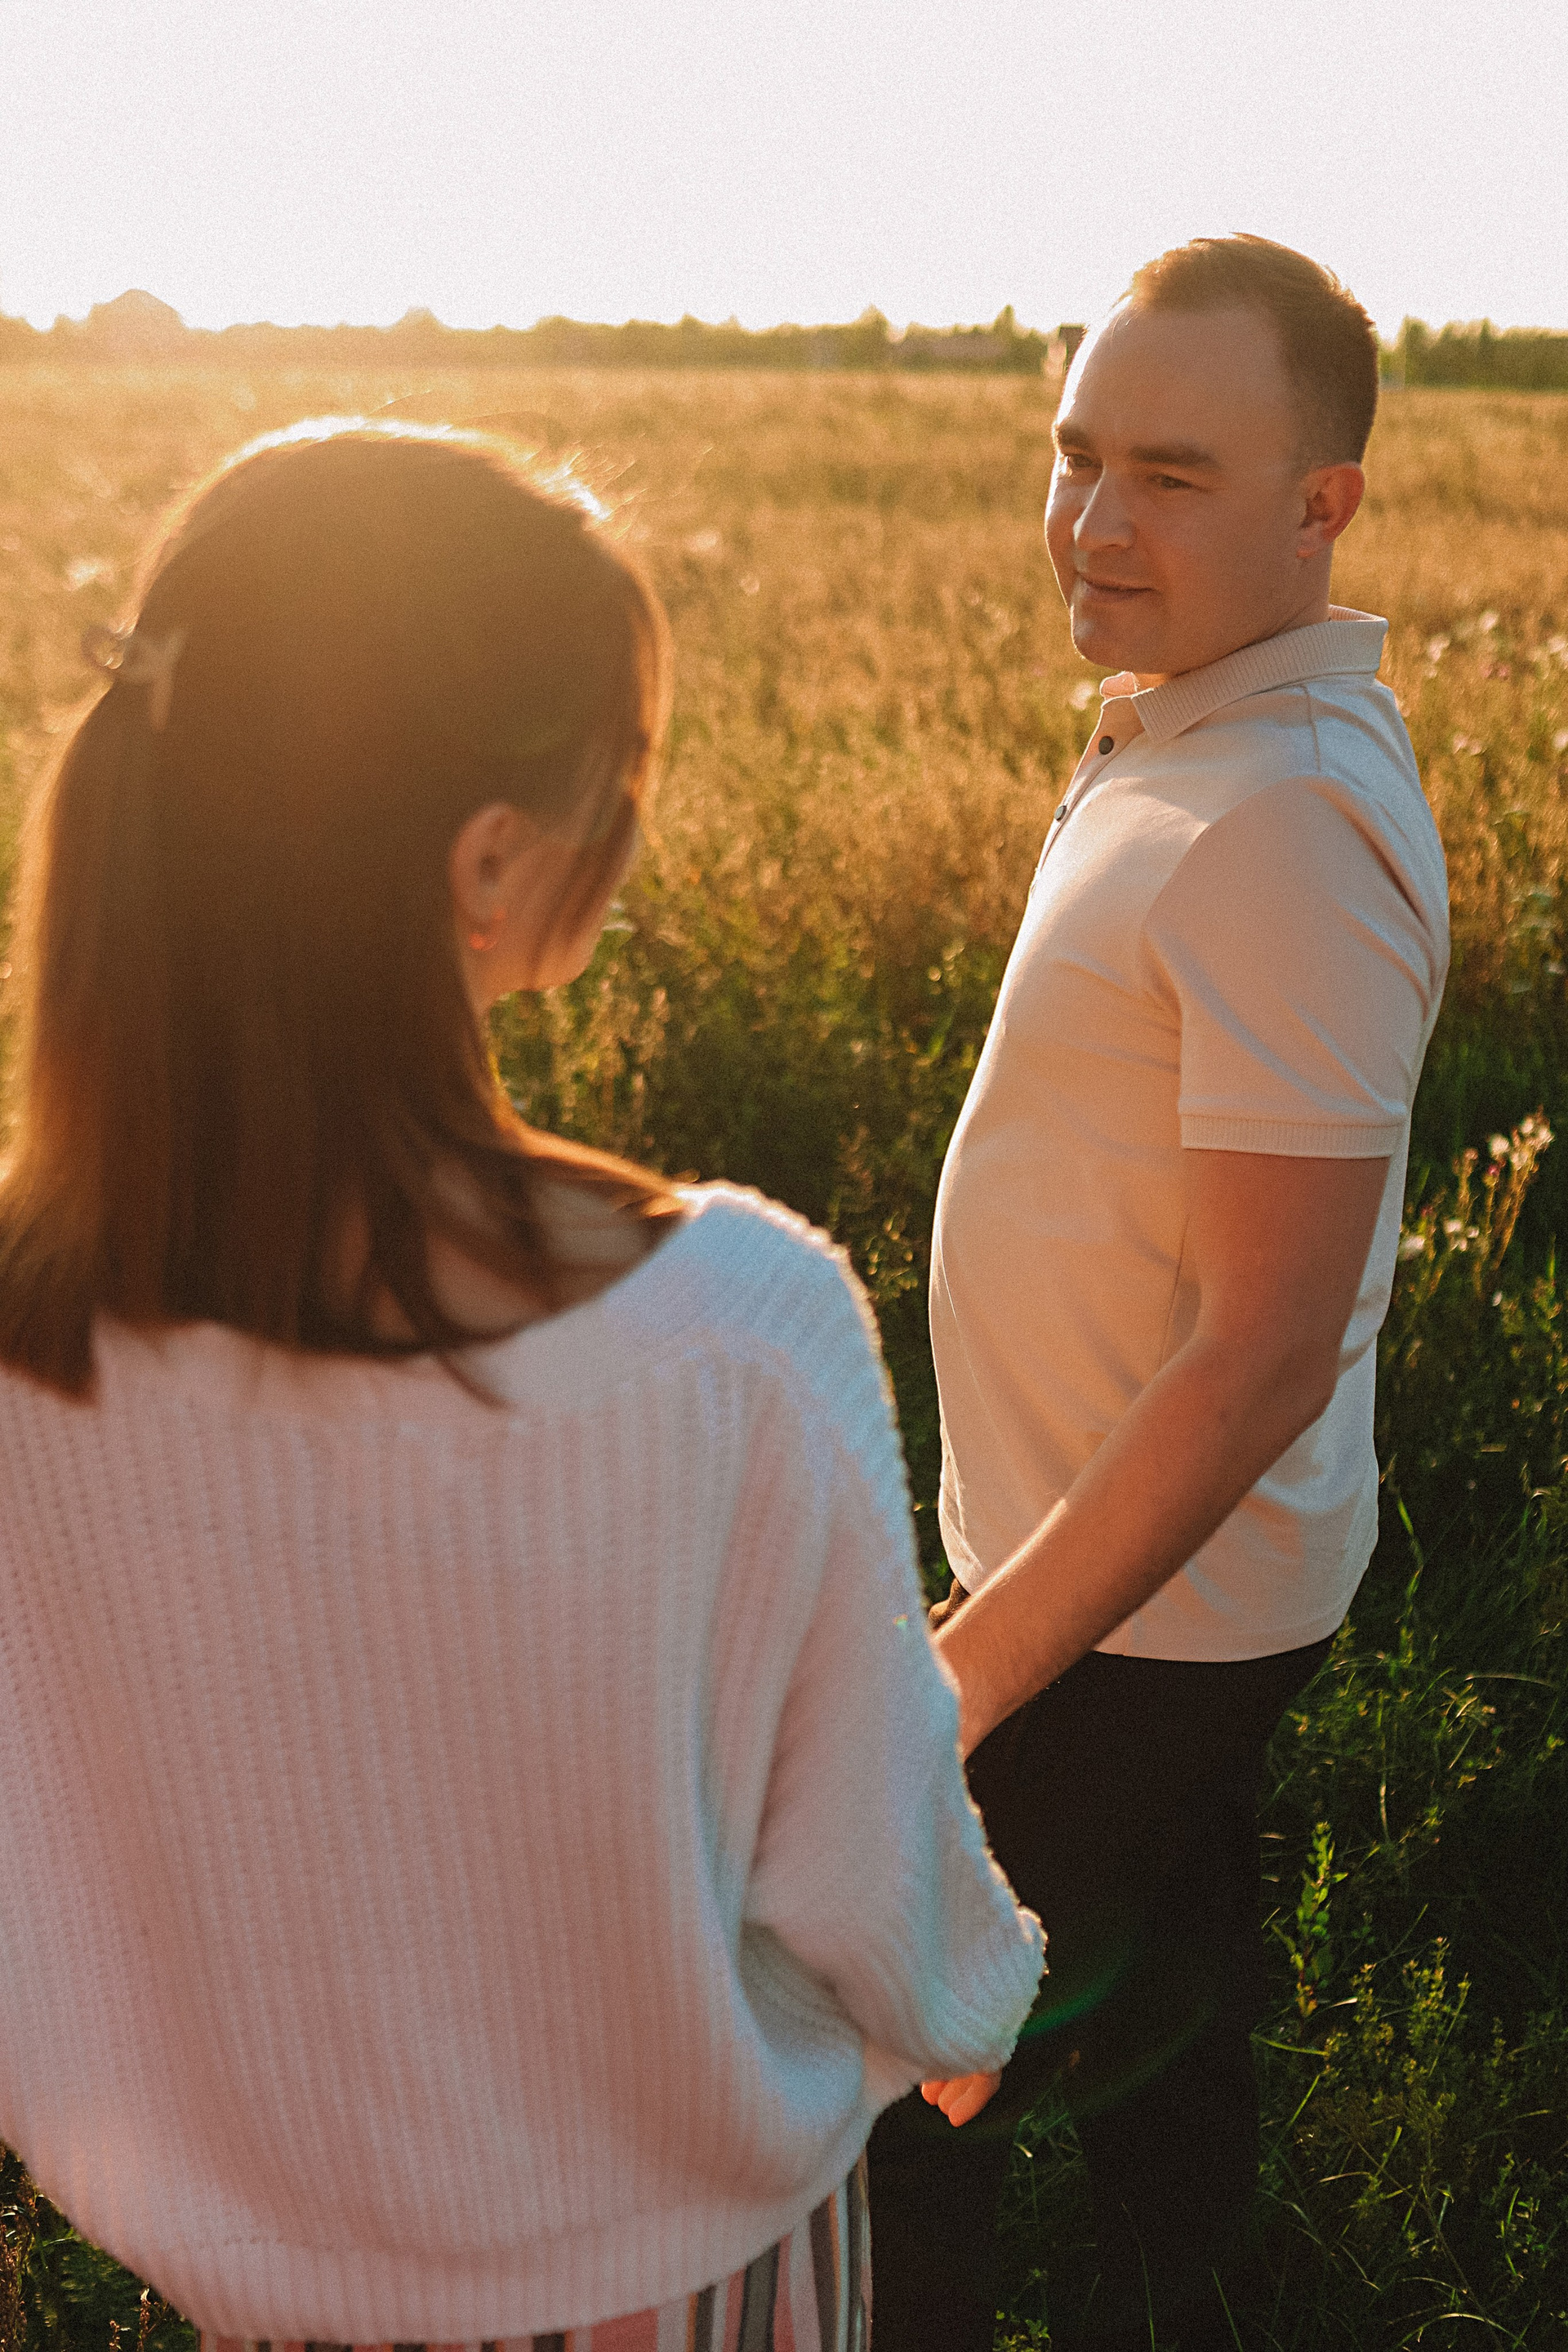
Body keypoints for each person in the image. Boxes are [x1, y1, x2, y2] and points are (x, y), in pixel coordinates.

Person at [0, 421, 1045, 2352]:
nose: (629, 823)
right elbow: (874, 1884)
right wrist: (966, 2007)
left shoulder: (29, 1348)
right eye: (617, 778)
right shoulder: (731, 1337)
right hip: (685, 2296)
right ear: (485, 861)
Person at [867, 236, 1450, 2351]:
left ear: (1324, 504)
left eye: (1175, 475)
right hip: (1129, 1573)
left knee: (882, 2054)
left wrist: (962, 1679)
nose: (1097, 522)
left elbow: (1269, 1343)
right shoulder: (1197, 730)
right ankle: (1194, 2285)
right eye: (1078, 454)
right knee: (1163, 1981)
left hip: (1141, 1613)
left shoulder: (1284, 813)